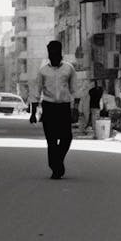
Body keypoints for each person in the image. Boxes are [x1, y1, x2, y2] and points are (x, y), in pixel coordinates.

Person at [36, 40, 77, 179]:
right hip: (49, 107)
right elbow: (36, 91)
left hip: (64, 107)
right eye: (51, 52)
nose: (53, 55)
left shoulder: (69, 69)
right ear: (48, 54)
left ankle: (57, 161)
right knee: (51, 139)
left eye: (56, 52)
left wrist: (75, 109)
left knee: (67, 138)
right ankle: (55, 167)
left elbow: (74, 90)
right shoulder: (43, 71)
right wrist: (33, 112)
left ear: (60, 53)